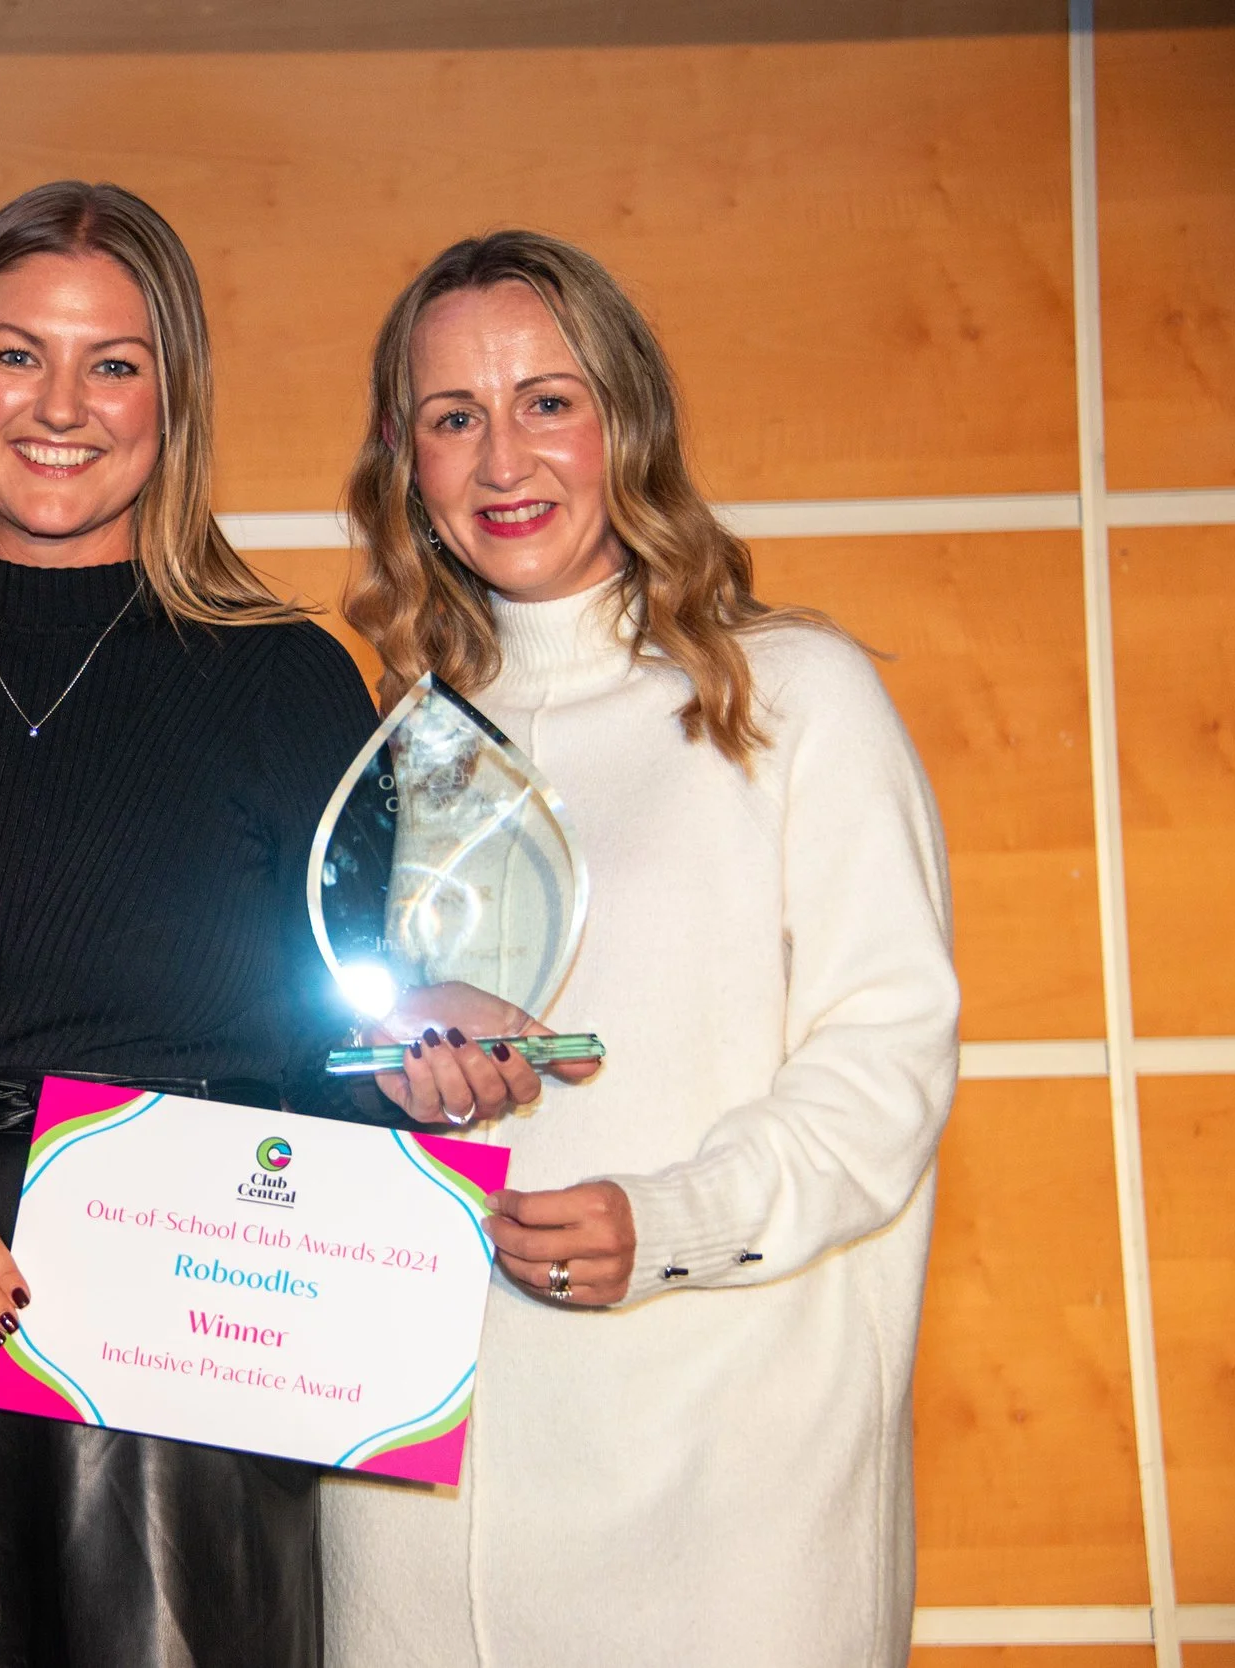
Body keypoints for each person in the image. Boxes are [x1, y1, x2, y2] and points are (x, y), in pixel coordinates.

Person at [0, 181, 538, 1668]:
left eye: (115, 363)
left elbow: (330, 1048)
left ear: (176, 399)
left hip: (192, 1388)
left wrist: (416, 1056)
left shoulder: (289, 681)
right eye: (17, 354)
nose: (62, 406)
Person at [315, 230, 963, 1665]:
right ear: (403, 463)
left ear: (630, 420)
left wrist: (669, 1224)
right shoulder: (382, 755)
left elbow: (887, 1064)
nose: (503, 460)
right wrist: (381, 1071)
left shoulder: (790, 697)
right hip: (415, 1513)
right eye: (452, 417)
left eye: (547, 402)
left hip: (730, 1499)